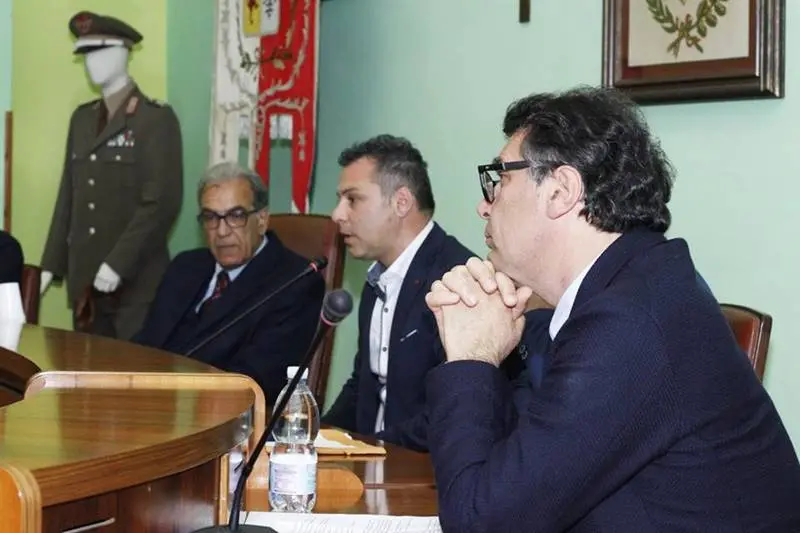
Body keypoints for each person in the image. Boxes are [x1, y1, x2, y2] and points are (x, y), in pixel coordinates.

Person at [424, 87, 800, 532]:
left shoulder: (631, 321)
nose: (483, 206)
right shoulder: (631, 287)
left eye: (500, 179)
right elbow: (520, 468)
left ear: (561, 191)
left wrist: (472, 358)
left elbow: (480, 522)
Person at [321, 134, 477, 451]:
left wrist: (369, 448)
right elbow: (363, 386)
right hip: (376, 458)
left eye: (353, 199)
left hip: (420, 467)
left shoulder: (456, 282)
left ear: (401, 202)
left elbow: (449, 415)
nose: (337, 214)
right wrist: (315, 439)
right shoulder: (378, 278)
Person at [40, 11, 183, 340]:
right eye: (86, 54)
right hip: (86, 284)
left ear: (124, 52)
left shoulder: (154, 120)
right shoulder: (81, 120)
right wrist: (50, 265)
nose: (92, 63)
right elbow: (68, 197)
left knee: (131, 369)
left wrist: (117, 264)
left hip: (135, 287)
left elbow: (161, 203)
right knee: (84, 368)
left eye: (100, 52)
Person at [133, 162, 324, 405]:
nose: (222, 231)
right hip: (153, 403)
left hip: (222, 414)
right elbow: (145, 345)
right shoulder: (184, 267)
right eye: (211, 217)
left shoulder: (295, 282)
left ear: (262, 220)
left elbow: (256, 380)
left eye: (236, 216)